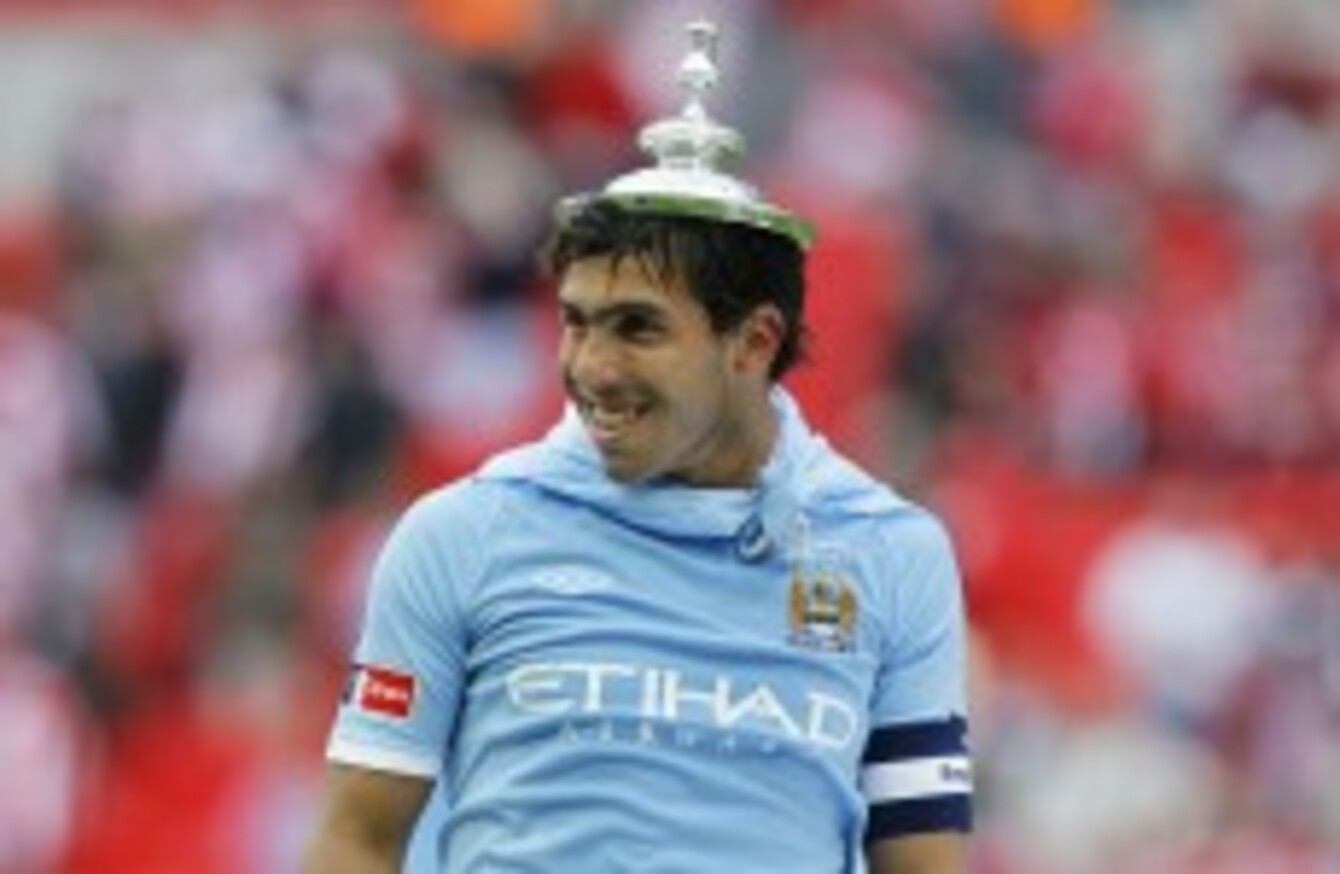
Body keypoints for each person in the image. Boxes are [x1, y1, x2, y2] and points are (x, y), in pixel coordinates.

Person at [304, 20, 972, 874]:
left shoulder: (891, 552)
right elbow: (357, 839)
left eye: (638, 329)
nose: (591, 366)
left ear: (754, 342)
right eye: (577, 322)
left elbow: (923, 864)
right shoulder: (459, 536)